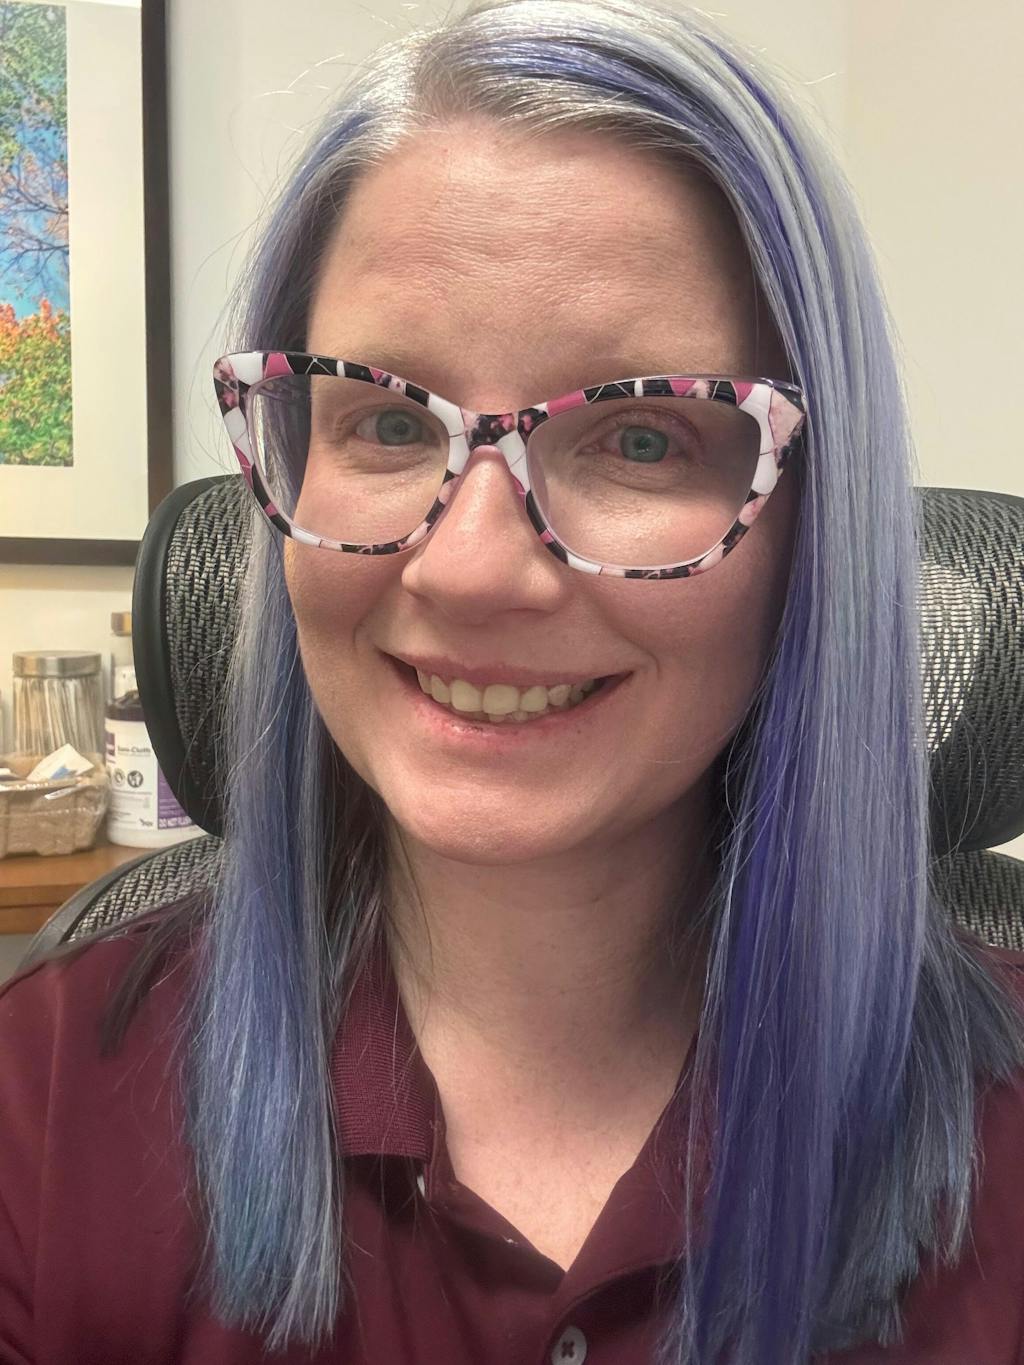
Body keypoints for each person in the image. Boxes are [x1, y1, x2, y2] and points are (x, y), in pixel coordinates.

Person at [2, 1, 1024, 1361]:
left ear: (813, 533)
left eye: (643, 438)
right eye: (383, 418)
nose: (473, 568)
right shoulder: (46, 1099)